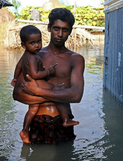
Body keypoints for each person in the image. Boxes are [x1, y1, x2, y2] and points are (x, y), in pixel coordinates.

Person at [12, 8, 85, 144]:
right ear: (49, 28)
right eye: (56, 28)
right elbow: (17, 94)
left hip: (63, 121)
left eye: (65, 30)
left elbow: (76, 95)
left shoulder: (76, 59)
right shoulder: (33, 56)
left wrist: (38, 91)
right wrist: (57, 96)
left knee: (65, 156)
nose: (60, 34)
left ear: (70, 31)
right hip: (38, 120)